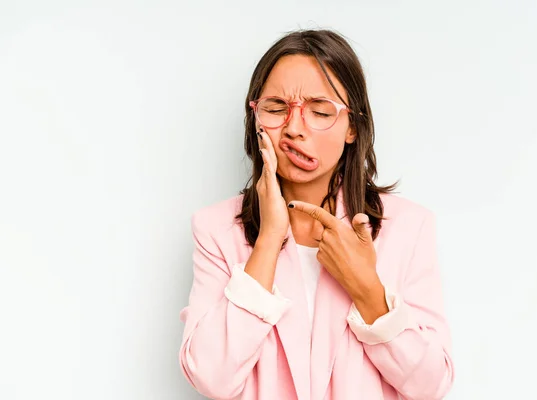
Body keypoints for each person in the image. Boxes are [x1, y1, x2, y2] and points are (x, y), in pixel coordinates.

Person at [178, 29, 454, 400]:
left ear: (353, 126)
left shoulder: (408, 227)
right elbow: (211, 377)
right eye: (276, 108)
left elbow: (431, 385)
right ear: (255, 118)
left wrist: (367, 290)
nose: (293, 129)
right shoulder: (216, 230)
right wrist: (269, 240)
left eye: (320, 111)